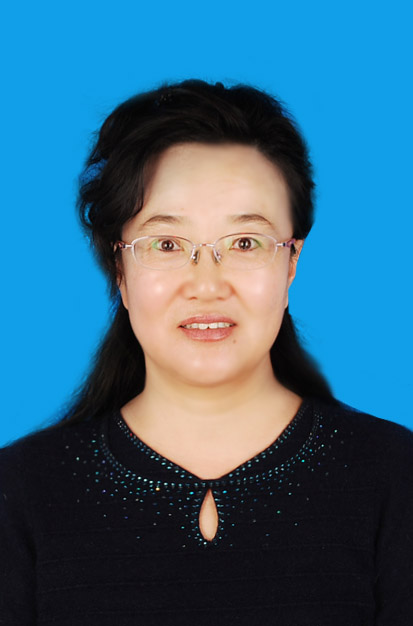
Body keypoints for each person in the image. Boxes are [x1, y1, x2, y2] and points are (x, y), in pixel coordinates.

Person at [1, 79, 412, 626]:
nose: (207, 285)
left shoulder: (395, 476)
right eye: (167, 245)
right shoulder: (21, 492)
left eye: (245, 243)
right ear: (120, 269)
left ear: (291, 263)